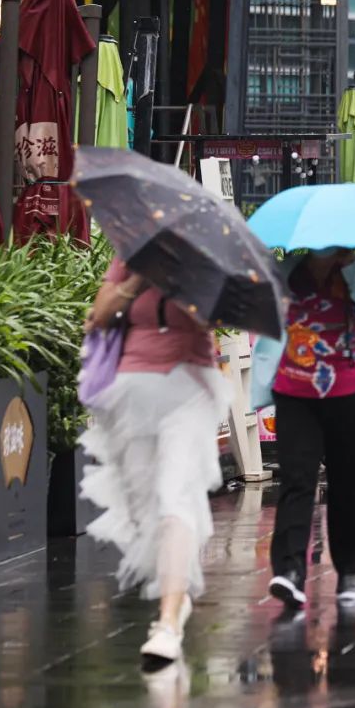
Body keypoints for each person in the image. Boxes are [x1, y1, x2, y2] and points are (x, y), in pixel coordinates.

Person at [80, 258, 230, 665]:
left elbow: (216, 314)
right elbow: (99, 313)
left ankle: (167, 623)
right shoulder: (132, 253)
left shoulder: (206, 254)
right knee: (145, 509)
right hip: (132, 388)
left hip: (190, 386)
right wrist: (139, 278)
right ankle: (175, 595)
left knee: (174, 498)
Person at [267, 248, 355, 609]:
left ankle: (347, 571)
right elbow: (267, 318)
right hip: (295, 389)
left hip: (350, 388)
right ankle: (289, 572)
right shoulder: (287, 271)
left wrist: (350, 270)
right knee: (297, 479)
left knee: (346, 481)